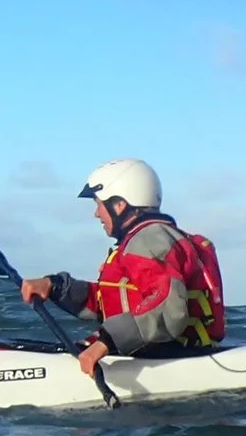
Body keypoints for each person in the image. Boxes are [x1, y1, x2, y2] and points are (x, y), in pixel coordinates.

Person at [17, 159, 225, 378]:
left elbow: (167, 308)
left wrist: (106, 342)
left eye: (99, 204)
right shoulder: (143, 239)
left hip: (165, 356)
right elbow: (109, 300)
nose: (96, 214)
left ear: (119, 205)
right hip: (150, 351)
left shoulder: (148, 240)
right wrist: (56, 287)